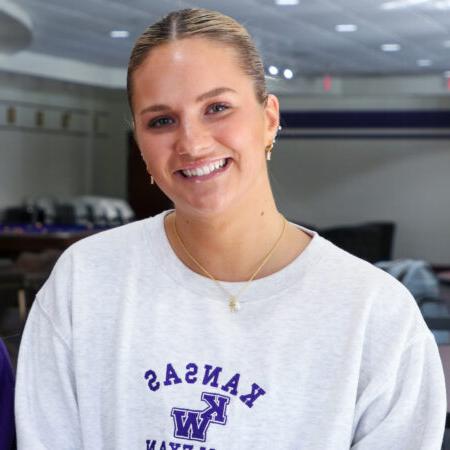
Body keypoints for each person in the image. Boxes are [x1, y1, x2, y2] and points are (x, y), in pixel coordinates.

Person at [15, 8, 446, 450]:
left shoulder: (375, 313)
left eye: (217, 108)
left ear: (269, 119)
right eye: (161, 120)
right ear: (140, 143)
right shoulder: (84, 281)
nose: (192, 143)